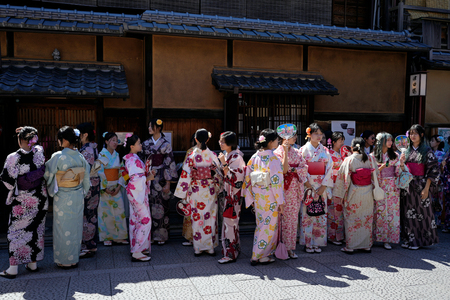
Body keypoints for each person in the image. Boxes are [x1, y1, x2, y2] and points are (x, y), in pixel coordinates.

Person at [0, 127, 48, 279]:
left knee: (16, 231)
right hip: (39, 197)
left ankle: (13, 269)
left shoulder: (13, 157)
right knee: (36, 230)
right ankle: (32, 264)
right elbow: (44, 171)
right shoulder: (39, 153)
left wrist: (20, 182)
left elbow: (7, 180)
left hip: (22, 200)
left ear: (21, 140)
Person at [44, 126, 90, 268]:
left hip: (63, 196)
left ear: (63, 140)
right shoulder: (81, 156)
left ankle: (64, 260)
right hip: (77, 195)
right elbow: (86, 178)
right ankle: (74, 258)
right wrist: (82, 191)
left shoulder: (58, 156)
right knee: (75, 227)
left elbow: (48, 175)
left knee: (62, 228)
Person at [174, 129, 222, 256]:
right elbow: (219, 173)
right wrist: (217, 185)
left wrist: (182, 194)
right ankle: (210, 248)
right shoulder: (212, 155)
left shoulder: (191, 155)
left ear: (195, 139)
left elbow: (185, 176)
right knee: (210, 218)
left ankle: (198, 248)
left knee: (197, 219)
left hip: (195, 190)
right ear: (207, 139)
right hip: (209, 189)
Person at [243, 129, 285, 265]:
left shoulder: (254, 157)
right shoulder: (273, 158)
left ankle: (259, 253)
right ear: (271, 142)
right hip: (271, 196)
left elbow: (247, 179)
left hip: (258, 196)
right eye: (276, 140)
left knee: (261, 225)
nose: (278, 142)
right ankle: (259, 255)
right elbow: (277, 181)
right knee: (268, 226)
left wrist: (250, 197)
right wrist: (280, 201)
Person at [333, 137, 376, 254]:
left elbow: (343, 179)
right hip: (368, 192)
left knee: (352, 219)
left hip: (354, 192)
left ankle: (351, 246)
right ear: (363, 147)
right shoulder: (370, 159)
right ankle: (366, 245)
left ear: (352, 148)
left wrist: (340, 195)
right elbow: (376, 176)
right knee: (366, 218)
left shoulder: (349, 159)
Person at [400, 124, 439, 250]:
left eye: (415, 133)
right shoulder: (406, 150)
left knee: (423, 213)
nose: (412, 136)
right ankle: (408, 239)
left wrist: (427, 188)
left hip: (422, 184)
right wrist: (400, 164)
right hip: (408, 185)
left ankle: (420, 240)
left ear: (421, 135)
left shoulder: (427, 150)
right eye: (411, 133)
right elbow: (402, 169)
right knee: (407, 213)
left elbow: (433, 170)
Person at [140, 119, 178, 245]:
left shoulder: (166, 144)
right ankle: (148, 235)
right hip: (149, 176)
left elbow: (169, 164)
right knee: (148, 206)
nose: (149, 128)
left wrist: (168, 182)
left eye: (152, 126)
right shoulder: (145, 144)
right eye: (149, 126)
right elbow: (141, 161)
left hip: (161, 177)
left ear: (159, 128)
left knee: (162, 206)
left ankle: (161, 235)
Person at [274, 126, 308, 259]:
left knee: (292, 220)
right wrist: (286, 152)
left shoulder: (297, 151)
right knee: (280, 219)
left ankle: (290, 248)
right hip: (282, 188)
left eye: (295, 135)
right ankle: (279, 247)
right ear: (284, 137)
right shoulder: (277, 152)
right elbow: (283, 170)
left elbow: (304, 166)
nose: (295, 137)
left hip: (294, 188)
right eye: (292, 135)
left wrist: (295, 171)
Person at [299, 123, 333, 254]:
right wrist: (309, 186)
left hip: (321, 187)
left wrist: (323, 187)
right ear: (309, 134)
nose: (319, 136)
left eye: (320, 134)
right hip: (308, 186)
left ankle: (317, 242)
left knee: (320, 215)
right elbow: (301, 169)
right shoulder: (302, 150)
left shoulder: (325, 150)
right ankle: (308, 243)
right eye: (316, 133)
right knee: (307, 214)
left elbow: (329, 168)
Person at [121, 134, 155, 262]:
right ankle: (137, 250)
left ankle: (137, 247)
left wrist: (147, 175)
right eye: (139, 143)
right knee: (145, 220)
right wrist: (148, 178)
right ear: (132, 146)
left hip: (136, 193)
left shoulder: (132, 158)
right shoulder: (133, 160)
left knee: (136, 220)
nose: (141, 145)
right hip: (137, 193)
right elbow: (136, 179)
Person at [371, 132, 405, 250]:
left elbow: (399, 172)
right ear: (381, 142)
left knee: (391, 212)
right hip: (379, 185)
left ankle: (389, 239)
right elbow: (370, 173)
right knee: (378, 211)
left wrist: (401, 164)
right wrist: (381, 168)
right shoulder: (372, 156)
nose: (391, 143)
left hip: (392, 186)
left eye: (391, 140)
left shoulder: (395, 155)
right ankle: (376, 237)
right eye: (388, 140)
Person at [217, 131, 245, 264]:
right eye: (220, 141)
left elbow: (236, 179)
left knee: (230, 223)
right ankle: (234, 249)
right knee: (230, 224)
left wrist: (223, 164)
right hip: (228, 194)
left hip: (233, 195)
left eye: (222, 141)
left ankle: (230, 254)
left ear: (230, 143)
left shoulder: (236, 157)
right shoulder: (229, 155)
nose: (220, 143)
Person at [98, 132, 128, 246]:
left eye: (116, 140)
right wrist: (104, 188)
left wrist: (119, 185)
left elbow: (122, 170)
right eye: (112, 140)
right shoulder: (101, 155)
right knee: (106, 213)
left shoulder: (117, 155)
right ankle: (106, 237)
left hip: (116, 187)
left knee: (119, 211)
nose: (115, 142)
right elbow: (98, 172)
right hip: (105, 189)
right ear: (106, 141)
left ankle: (120, 236)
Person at [76, 122, 100, 258]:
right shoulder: (93, 148)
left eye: (79, 134)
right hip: (94, 183)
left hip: (88, 184)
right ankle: (91, 244)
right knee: (91, 214)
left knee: (87, 214)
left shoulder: (87, 150)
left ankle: (87, 245)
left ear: (85, 134)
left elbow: (87, 170)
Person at [326, 131, 345, 245]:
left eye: (342, 140)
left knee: (340, 210)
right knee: (332, 210)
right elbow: (327, 170)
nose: (342, 142)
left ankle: (340, 235)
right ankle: (332, 236)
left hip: (341, 184)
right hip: (333, 184)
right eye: (340, 141)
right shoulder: (329, 154)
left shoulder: (343, 153)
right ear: (333, 142)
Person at [429, 135, 445, 226]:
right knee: (431, 200)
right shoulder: (430, 152)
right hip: (431, 180)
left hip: (439, 180)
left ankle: (438, 221)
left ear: (438, 143)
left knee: (438, 200)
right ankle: (432, 220)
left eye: (432, 140)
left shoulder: (442, 154)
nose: (431, 142)